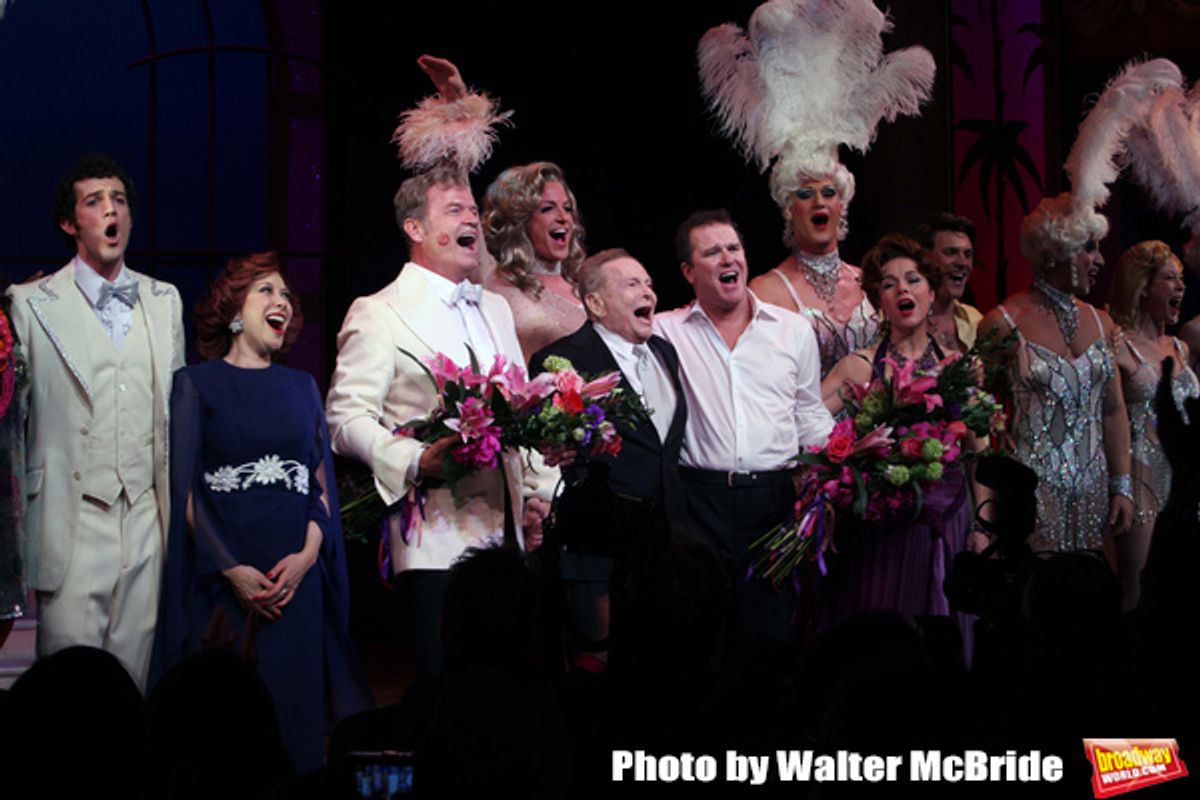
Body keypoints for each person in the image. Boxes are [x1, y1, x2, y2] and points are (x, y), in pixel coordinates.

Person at [326, 165, 554, 677]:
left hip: (507, 535)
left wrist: (539, 492)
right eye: (455, 210)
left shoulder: (495, 308)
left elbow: (521, 405)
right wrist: (413, 459)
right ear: (415, 229)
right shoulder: (379, 311)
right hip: (438, 536)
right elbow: (344, 416)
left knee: (511, 687)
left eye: (473, 210)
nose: (472, 217)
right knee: (449, 691)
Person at [151, 252, 371, 771]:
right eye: (265, 291)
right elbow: (184, 490)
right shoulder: (195, 383)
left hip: (298, 581)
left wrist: (306, 556)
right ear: (234, 308)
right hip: (223, 582)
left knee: (292, 722)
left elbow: (319, 487)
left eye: (286, 295)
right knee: (222, 731)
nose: (282, 303)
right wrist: (231, 570)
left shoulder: (301, 387)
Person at [6, 154, 185, 689]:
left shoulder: (163, 299)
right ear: (70, 223)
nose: (112, 211)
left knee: (132, 683)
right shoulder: (30, 302)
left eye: (120, 201)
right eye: (95, 201)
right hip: (72, 514)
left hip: (146, 515)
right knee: (68, 686)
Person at [654, 209, 834, 658]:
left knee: (770, 636)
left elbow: (809, 413)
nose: (727, 258)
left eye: (733, 248)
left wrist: (840, 470)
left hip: (773, 502)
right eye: (711, 252)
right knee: (701, 635)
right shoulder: (664, 332)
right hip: (699, 502)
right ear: (688, 271)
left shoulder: (792, 329)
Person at [530, 248, 687, 671]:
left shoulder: (665, 354)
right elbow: (548, 449)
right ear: (595, 303)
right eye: (632, 284)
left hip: (662, 543)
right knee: (596, 673)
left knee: (655, 670)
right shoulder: (561, 362)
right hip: (597, 544)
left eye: (649, 283)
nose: (648, 292)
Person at [820, 235, 977, 632]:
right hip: (883, 530)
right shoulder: (858, 367)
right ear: (880, 300)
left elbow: (978, 450)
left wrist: (983, 527)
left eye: (913, 279)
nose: (902, 289)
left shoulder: (958, 367)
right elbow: (807, 424)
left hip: (948, 523)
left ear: (930, 291)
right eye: (889, 284)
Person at [978, 193, 1134, 556]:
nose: (1099, 260)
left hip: (1094, 491)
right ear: (1056, 251)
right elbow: (976, 410)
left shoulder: (1102, 321)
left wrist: (1121, 485)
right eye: (1089, 249)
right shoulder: (1003, 323)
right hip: (1031, 492)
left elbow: (1113, 410)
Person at [1107, 240, 1199, 610]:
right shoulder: (1118, 347)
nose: (1181, 287)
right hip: (1142, 479)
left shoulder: (1180, 348)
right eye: (1170, 279)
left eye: (1182, 280)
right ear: (1144, 286)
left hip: (1185, 482)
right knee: (1139, 590)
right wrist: (1120, 486)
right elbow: (1110, 418)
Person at [748, 168, 879, 376]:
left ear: (841, 206)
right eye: (805, 194)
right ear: (789, 209)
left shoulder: (869, 280)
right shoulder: (766, 291)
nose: (819, 202)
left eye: (828, 193)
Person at [483, 162, 588, 361]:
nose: (563, 218)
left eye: (567, 208)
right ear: (520, 220)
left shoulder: (587, 283)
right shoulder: (503, 287)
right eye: (548, 209)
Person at [915, 212, 984, 353]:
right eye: (951, 252)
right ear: (925, 258)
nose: (962, 262)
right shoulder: (897, 318)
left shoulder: (976, 322)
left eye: (968, 254)